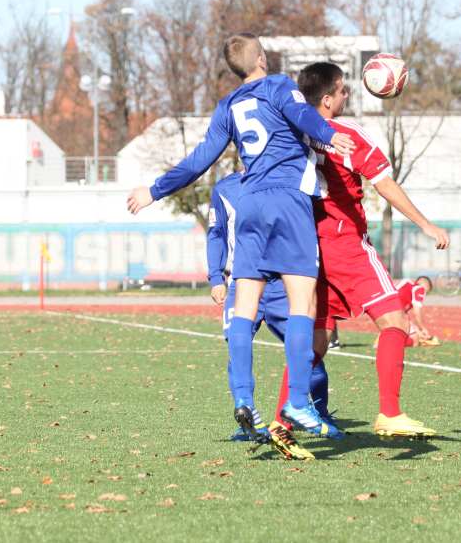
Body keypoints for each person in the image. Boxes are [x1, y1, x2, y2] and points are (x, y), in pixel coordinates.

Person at [127, 33, 355, 443]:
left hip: (249, 205)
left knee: (244, 310)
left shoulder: (227, 106)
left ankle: (245, 401)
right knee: (304, 300)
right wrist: (328, 132)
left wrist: (153, 191)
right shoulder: (280, 85)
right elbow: (301, 116)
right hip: (287, 201)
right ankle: (299, 401)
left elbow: (200, 159)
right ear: (263, 58)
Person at [287, 62, 449, 439]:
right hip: (346, 243)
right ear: (327, 100)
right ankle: (389, 414)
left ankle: (284, 417)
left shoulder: (292, 131)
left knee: (315, 340)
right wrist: (425, 224)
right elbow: (384, 184)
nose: (347, 95)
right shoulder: (345, 132)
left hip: (306, 246)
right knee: (395, 322)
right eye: (343, 90)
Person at [206, 171, 312, 459]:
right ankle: (247, 417)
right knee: (235, 347)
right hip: (244, 282)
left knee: (308, 350)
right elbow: (215, 233)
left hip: (282, 284)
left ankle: (314, 413)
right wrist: (216, 276)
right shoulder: (225, 188)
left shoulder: (291, 178)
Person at [373, 277, 437, 349]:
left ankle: (380, 343)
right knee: (415, 341)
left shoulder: (406, 285)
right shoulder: (420, 289)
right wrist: (422, 328)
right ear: (426, 286)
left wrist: (419, 332)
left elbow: (405, 317)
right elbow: (416, 312)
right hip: (393, 312)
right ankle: (385, 344)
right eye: (427, 291)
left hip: (384, 308)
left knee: (412, 335)